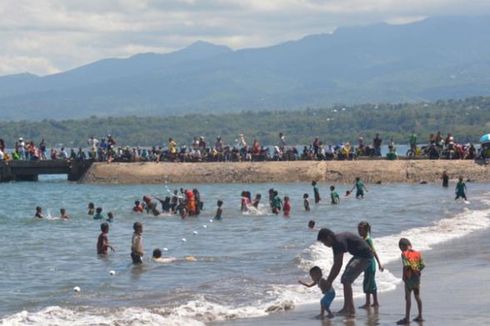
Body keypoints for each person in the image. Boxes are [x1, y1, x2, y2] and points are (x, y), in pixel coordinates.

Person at [317, 228, 373, 316]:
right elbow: (336, 263)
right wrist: (329, 281)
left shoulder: (339, 242)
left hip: (365, 257)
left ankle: (349, 309)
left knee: (346, 279)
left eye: (324, 242)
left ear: (328, 238)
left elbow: (338, 265)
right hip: (359, 255)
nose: (324, 245)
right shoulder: (335, 242)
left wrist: (329, 282)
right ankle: (348, 308)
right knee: (345, 279)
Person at [397, 238, 425, 325]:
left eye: (400, 247)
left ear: (402, 246)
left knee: (408, 299)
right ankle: (420, 315)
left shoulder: (404, 254)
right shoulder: (417, 253)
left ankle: (407, 318)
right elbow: (423, 265)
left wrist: (403, 276)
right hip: (416, 279)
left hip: (409, 279)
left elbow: (406, 266)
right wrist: (417, 271)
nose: (401, 249)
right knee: (417, 297)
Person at [357, 221, 384, 309]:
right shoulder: (364, 238)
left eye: (360, 230)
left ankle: (370, 303)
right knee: (369, 282)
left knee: (369, 283)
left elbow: (373, 251)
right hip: (367, 264)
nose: (359, 231)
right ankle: (373, 302)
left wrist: (379, 263)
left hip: (370, 264)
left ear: (366, 230)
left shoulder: (367, 239)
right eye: (358, 229)